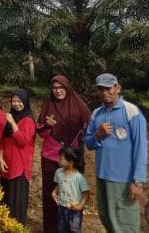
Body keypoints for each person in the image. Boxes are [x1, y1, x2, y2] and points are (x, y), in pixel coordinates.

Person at [84, 73, 147, 233]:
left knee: (125, 223)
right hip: (102, 176)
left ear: (118, 88)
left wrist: (137, 181)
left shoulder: (131, 112)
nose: (104, 92)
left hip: (123, 179)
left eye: (108, 88)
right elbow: (89, 144)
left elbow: (140, 148)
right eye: (101, 89)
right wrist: (98, 135)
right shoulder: (96, 113)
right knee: (107, 218)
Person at [37, 75, 90, 233]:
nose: (58, 91)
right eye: (54, 88)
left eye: (61, 87)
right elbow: (41, 133)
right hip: (51, 156)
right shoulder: (48, 104)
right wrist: (47, 126)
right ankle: (51, 229)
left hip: (72, 158)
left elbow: (87, 129)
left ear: (67, 88)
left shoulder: (79, 105)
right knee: (51, 194)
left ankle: (72, 228)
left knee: (73, 193)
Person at [0, 89, 36, 224]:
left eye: (19, 101)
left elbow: (22, 141)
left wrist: (13, 123)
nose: (16, 104)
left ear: (25, 102)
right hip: (7, 165)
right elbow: (3, 140)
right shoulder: (11, 117)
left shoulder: (28, 120)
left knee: (16, 203)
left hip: (19, 167)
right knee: (5, 201)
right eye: (14, 101)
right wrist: (0, 158)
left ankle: (16, 228)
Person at [51, 147, 89, 233]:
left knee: (74, 230)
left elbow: (86, 194)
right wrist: (54, 192)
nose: (58, 161)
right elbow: (59, 183)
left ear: (71, 162)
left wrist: (80, 206)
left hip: (74, 210)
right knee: (61, 229)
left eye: (61, 159)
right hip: (61, 207)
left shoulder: (79, 177)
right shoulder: (59, 172)